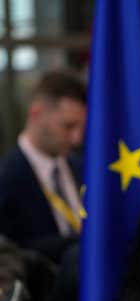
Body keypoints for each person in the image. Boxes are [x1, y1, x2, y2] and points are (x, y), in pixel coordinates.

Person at [0, 70, 86, 264]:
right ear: (36, 113)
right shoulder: (7, 177)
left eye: (81, 128)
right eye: (68, 126)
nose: (76, 138)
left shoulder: (81, 167)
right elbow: (15, 250)